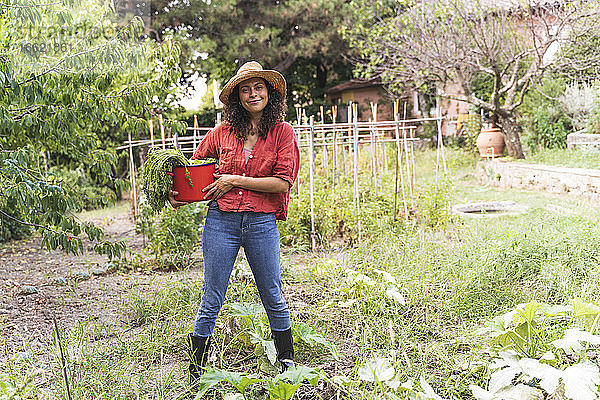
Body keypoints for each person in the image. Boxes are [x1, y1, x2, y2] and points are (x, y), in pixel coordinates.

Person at [167, 61, 300, 384]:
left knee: (272, 293)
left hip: (261, 223)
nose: (253, 94)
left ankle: (288, 365)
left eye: (258, 88)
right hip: (221, 222)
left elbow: (283, 183)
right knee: (212, 295)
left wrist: (235, 180)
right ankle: (196, 373)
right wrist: (177, 194)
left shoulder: (283, 132)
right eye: (245, 89)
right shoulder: (222, 133)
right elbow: (195, 170)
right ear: (237, 97)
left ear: (270, 93)